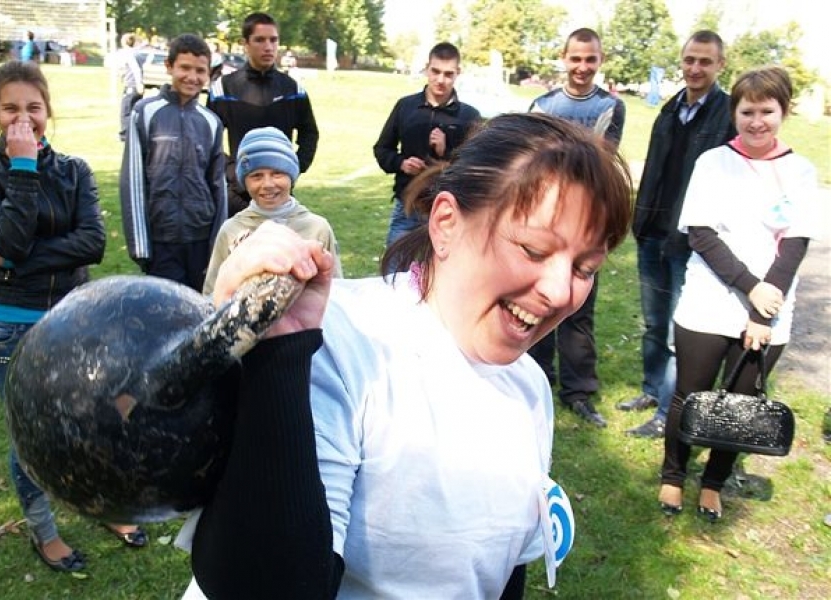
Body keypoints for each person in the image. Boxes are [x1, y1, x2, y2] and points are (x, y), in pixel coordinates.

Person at [180, 112, 633, 599]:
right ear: (446, 224)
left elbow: (501, 577)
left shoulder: (529, 388)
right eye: (534, 249)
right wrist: (277, 357)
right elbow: (272, 585)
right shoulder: (339, 343)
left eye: (585, 268)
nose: (560, 291)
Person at [0, 60, 147, 573]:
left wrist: (8, 256)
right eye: (11, 108)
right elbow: (18, 233)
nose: (25, 118)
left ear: (49, 111)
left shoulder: (75, 170)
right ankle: (44, 532)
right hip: (9, 323)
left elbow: (92, 242)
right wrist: (22, 166)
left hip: (73, 318)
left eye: (34, 108)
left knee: (100, 419)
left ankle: (106, 505)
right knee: (35, 436)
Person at [658, 65, 819, 522]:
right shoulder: (713, 162)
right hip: (708, 304)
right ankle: (673, 475)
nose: (756, 121)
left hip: (770, 314)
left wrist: (763, 313)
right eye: (747, 111)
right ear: (735, 112)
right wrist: (752, 288)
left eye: (767, 111)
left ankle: (712, 483)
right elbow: (702, 235)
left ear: (783, 111)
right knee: (688, 396)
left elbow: (795, 243)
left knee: (742, 407)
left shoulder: (802, 171)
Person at [620, 30, 737, 438]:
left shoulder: (727, 115)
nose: (695, 68)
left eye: (705, 61)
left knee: (676, 330)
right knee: (653, 322)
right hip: (653, 231)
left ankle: (668, 409)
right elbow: (653, 169)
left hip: (690, 241)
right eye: (689, 60)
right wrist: (638, 221)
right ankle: (652, 390)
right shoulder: (671, 110)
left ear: (720, 65)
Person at [527, 27, 625, 428]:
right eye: (575, 58)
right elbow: (532, 162)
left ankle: (578, 390)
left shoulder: (610, 106)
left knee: (577, 308)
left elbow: (601, 163)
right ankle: (535, 375)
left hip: (586, 225)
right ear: (564, 59)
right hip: (544, 223)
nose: (582, 67)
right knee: (535, 299)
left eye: (590, 59)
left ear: (599, 61)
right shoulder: (542, 105)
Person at [119, 33, 227, 292]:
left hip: (200, 240)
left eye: (200, 70)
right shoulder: (144, 113)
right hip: (161, 240)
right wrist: (141, 245)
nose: (192, 77)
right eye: (185, 68)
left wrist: (218, 242)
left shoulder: (211, 121)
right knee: (165, 313)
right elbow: (132, 181)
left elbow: (218, 186)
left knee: (201, 310)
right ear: (169, 67)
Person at [202, 126, 342, 295]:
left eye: (277, 174)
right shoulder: (231, 230)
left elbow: (335, 291)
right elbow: (213, 293)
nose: (267, 184)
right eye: (256, 176)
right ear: (244, 181)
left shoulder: (317, 228)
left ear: (292, 176)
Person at [208, 12, 319, 216]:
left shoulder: (292, 89)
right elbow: (209, 140)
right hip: (237, 195)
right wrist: (232, 172)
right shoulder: (224, 88)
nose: (268, 46)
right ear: (245, 43)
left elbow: (309, 133)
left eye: (273, 40)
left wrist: (292, 168)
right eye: (260, 40)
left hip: (280, 195)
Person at [373, 41, 481, 250]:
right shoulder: (406, 106)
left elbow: (475, 169)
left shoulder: (469, 116)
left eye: (448, 74)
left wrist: (445, 153)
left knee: (442, 278)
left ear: (458, 73)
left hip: (449, 210)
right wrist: (401, 163)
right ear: (427, 68)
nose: (441, 80)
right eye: (436, 71)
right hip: (408, 207)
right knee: (394, 275)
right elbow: (381, 149)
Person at [117, 32, 144, 142]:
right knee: (135, 110)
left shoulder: (129, 54)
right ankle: (136, 132)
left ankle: (125, 134)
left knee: (126, 111)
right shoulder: (138, 53)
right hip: (135, 86)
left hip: (132, 86)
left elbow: (136, 69)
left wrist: (139, 83)